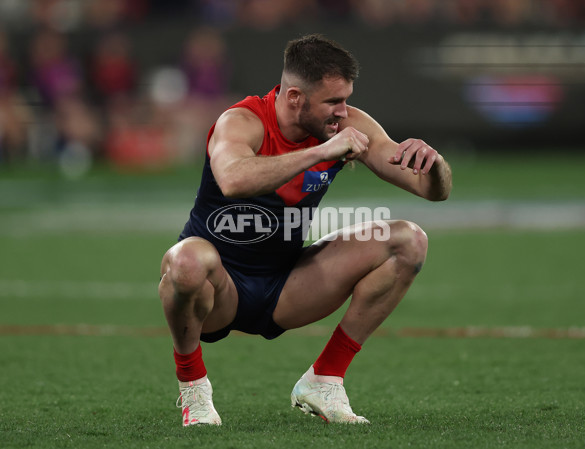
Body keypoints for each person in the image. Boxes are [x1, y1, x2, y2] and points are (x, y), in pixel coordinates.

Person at [158, 33, 452, 426]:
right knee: (187, 261)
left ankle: (324, 379)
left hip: (286, 287)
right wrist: (319, 152)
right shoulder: (242, 121)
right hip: (218, 288)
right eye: (333, 101)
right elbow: (232, 178)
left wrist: (434, 166)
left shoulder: (347, 124)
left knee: (408, 241)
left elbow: (432, 192)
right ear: (295, 97)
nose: (342, 112)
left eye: (345, 99)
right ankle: (194, 388)